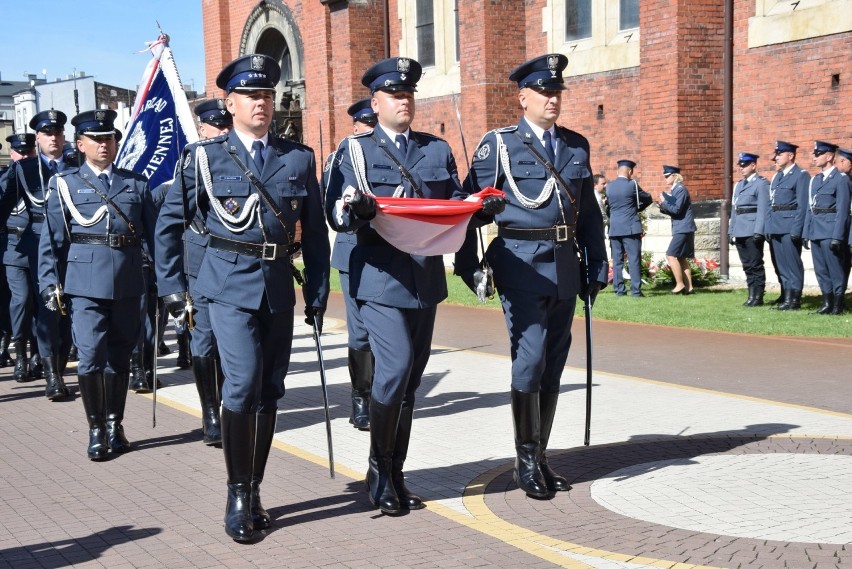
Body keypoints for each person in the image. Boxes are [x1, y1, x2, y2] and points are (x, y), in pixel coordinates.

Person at [155, 54, 329, 542]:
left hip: (277, 287)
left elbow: (313, 233)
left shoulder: (298, 158)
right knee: (243, 384)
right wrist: (172, 286)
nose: (262, 104)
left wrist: (317, 289)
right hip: (225, 287)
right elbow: (169, 225)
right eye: (252, 96)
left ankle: (254, 487)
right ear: (230, 103)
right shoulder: (204, 159)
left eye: (268, 95)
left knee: (270, 391)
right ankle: (235, 492)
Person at [325, 57, 472, 515]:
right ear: (376, 102)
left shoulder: (435, 150)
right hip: (379, 277)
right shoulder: (354, 152)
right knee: (395, 367)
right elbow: (333, 210)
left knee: (410, 381)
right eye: (395, 94)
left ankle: (394, 472)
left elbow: (450, 202)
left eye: (408, 93)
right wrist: (356, 213)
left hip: (424, 278)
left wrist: (475, 209)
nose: (404, 100)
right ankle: (377, 467)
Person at [460, 54, 607, 500]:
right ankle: (526, 460)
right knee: (531, 358)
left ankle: (540, 455)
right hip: (520, 262)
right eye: (543, 92)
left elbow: (588, 214)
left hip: (564, 264)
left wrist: (596, 264)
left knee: (554, 364)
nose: (552, 99)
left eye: (556, 92)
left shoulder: (576, 146)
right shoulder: (500, 145)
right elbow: (470, 206)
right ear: (523, 97)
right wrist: (470, 265)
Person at [38, 109, 158, 459]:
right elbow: (52, 239)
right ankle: (95, 429)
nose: (104, 144)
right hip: (84, 283)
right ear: (80, 144)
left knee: (120, 357)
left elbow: (152, 237)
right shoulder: (65, 184)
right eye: (96, 139)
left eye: (109, 138)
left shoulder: (136, 183)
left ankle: (113, 423)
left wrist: (165, 283)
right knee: (90, 356)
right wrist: (49, 282)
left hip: (128, 281)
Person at [184, 97, 233, 444]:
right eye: (216, 126)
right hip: (201, 256)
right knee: (204, 338)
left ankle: (233, 405)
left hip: (234, 260)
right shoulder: (194, 158)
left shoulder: (238, 155)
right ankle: (210, 411)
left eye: (225, 125)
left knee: (234, 338)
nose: (222, 131)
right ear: (203, 128)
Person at [329, 98, 377, 431]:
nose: (370, 130)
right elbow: (328, 206)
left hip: (394, 252)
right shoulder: (341, 159)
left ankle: (386, 396)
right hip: (354, 251)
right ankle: (361, 399)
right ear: (355, 127)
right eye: (366, 124)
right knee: (360, 331)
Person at [0, 132, 40, 383]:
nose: (24, 157)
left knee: (40, 305)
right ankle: (21, 354)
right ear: (12, 154)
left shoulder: (44, 177)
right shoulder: (5, 180)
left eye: (29, 153)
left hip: (39, 249)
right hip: (13, 248)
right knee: (21, 301)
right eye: (20, 153)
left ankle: (38, 355)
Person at [803, 141, 850, 315]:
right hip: (816, 230)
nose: (814, 157)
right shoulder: (815, 180)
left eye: (818, 154)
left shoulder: (841, 179)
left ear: (829, 156)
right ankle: (826, 302)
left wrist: (838, 236)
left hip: (831, 231)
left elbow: (843, 210)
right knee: (821, 269)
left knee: (835, 269)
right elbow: (811, 207)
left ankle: (837, 305)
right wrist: (807, 232)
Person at [765, 141, 810, 310]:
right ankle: (787, 297)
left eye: (780, 154)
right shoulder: (777, 176)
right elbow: (771, 204)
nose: (776, 157)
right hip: (776, 226)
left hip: (790, 225)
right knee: (781, 264)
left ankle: (795, 299)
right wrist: (768, 227)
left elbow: (802, 205)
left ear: (790, 156)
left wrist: (797, 229)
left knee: (792, 264)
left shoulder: (801, 175)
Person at [728, 152, 770, 306]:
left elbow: (763, 209)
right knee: (747, 265)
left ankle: (758, 296)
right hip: (739, 229)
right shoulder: (739, 185)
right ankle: (751, 294)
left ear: (754, 165)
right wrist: (730, 231)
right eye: (740, 165)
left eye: (745, 165)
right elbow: (734, 209)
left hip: (752, 229)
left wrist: (759, 231)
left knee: (755, 264)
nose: (742, 168)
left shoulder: (761, 184)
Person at [606, 159, 652, 297]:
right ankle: (636, 291)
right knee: (634, 260)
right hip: (631, 227)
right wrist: (637, 208)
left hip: (614, 228)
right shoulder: (632, 184)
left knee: (617, 261)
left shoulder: (609, 187)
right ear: (630, 171)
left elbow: (609, 207)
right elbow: (647, 198)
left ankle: (619, 290)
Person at [657, 165, 697, 294]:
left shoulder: (680, 189)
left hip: (683, 228)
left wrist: (664, 202)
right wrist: (662, 205)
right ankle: (689, 288)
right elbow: (673, 209)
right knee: (681, 257)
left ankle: (679, 285)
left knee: (671, 255)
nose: (666, 179)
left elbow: (676, 209)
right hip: (683, 227)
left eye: (667, 176)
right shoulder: (676, 190)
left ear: (674, 176)